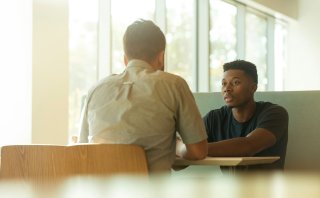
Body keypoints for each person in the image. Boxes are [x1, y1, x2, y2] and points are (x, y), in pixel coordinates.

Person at [78, 19, 208, 173]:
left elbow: (81, 150)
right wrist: (177, 146)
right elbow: (198, 152)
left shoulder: (95, 89)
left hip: (99, 193)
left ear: (125, 59)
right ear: (161, 57)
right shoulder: (174, 84)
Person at [203, 60, 288, 171]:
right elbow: (180, 161)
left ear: (253, 88)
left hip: (267, 187)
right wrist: (183, 147)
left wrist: (194, 149)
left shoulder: (275, 113)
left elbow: (248, 146)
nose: (227, 88)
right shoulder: (214, 118)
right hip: (230, 187)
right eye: (224, 83)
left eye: (235, 83)